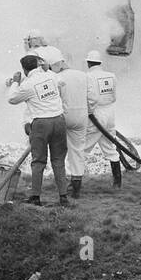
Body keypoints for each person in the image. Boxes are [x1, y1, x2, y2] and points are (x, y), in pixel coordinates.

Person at [7, 54, 69, 206]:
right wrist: (47, 70)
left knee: (38, 162)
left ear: (24, 69)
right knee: (58, 160)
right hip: (59, 121)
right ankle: (63, 197)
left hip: (41, 123)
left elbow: (12, 99)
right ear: (37, 65)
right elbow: (62, 81)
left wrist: (15, 82)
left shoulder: (27, 84)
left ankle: (35, 197)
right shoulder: (51, 76)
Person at [85, 50, 130, 188]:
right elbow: (114, 97)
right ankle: (117, 183)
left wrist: (89, 112)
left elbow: (91, 98)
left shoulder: (87, 77)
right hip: (110, 113)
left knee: (82, 149)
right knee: (110, 148)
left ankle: (74, 184)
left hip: (96, 115)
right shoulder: (111, 76)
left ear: (88, 63)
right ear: (100, 62)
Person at [55, 53, 92, 199]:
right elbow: (92, 96)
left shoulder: (58, 78)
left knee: (58, 150)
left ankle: (62, 186)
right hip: (82, 115)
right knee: (77, 150)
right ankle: (76, 186)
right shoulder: (83, 75)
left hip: (63, 115)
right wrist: (90, 111)